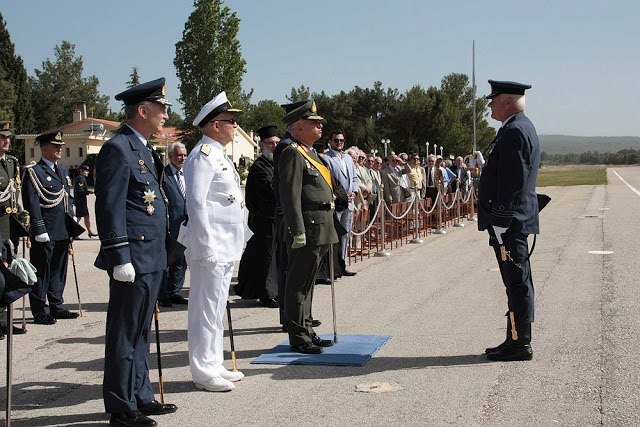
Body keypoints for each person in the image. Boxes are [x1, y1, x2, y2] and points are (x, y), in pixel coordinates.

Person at [95, 77, 177, 426]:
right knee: (125, 333)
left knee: (142, 330)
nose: (164, 115)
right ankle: (120, 406)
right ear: (143, 110)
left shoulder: (143, 148)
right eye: (161, 109)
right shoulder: (118, 148)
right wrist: (119, 256)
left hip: (151, 255)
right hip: (133, 257)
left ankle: (141, 395)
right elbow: (109, 207)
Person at [180, 92, 250, 392]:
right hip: (210, 247)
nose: (235, 126)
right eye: (230, 121)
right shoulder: (201, 156)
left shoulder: (218, 154)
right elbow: (195, 204)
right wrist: (206, 246)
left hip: (225, 244)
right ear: (213, 125)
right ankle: (203, 371)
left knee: (216, 308)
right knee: (204, 310)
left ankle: (214, 361)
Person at [478, 80, 540, 362]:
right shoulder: (515, 128)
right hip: (510, 221)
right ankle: (514, 338)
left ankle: (520, 344)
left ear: (507, 102)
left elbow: (513, 181)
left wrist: (501, 219)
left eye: (493, 100)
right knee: (514, 281)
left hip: (509, 223)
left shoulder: (515, 131)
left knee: (517, 282)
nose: (489, 105)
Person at [278, 100, 338, 354]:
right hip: (308, 226)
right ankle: (298, 336)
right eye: (314, 123)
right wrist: (297, 229)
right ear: (299, 127)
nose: (320, 126)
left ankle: (308, 330)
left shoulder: (310, 153)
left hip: (322, 224)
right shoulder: (293, 152)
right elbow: (289, 195)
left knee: (309, 282)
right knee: (298, 284)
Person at [22, 130, 79, 325]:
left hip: (62, 229)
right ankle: (40, 310)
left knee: (58, 270)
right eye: (55, 146)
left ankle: (57, 305)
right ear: (44, 148)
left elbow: (67, 201)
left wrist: (72, 227)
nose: (59, 149)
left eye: (60, 146)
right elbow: (31, 202)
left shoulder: (62, 170)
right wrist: (38, 229)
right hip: (45, 231)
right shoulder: (33, 172)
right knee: (41, 271)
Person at [235, 125, 279, 308]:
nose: (274, 147)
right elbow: (271, 190)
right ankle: (267, 294)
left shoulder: (276, 164)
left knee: (261, 255)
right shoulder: (260, 167)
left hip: (273, 217)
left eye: (277, 143)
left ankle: (250, 288)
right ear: (262, 146)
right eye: (270, 143)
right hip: (263, 219)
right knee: (265, 256)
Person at [323, 131, 358, 276]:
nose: (339, 143)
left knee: (346, 235)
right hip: (336, 203)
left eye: (341, 141)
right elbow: (327, 180)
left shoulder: (349, 159)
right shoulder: (327, 158)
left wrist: (354, 192)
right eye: (336, 140)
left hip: (349, 203)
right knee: (334, 236)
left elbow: (354, 178)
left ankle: (342, 265)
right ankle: (333, 268)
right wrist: (340, 196)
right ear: (330, 141)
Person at [158, 142, 189, 308]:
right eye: (179, 155)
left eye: (184, 155)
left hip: (186, 224)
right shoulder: (163, 175)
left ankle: (175, 291)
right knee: (167, 260)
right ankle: (163, 294)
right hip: (170, 224)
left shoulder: (189, 174)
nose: (182, 158)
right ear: (170, 157)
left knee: (181, 260)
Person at [73, 165, 98, 237]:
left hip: (81, 201)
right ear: (81, 171)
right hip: (80, 201)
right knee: (79, 217)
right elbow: (80, 190)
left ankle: (90, 231)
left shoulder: (81, 178)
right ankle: (74, 232)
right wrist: (88, 192)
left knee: (85, 216)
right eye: (86, 171)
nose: (87, 172)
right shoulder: (80, 179)